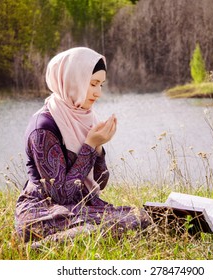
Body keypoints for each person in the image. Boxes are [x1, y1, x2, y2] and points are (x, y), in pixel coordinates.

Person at [14, 47, 151, 243]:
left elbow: (100, 183)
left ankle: (77, 235)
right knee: (124, 222)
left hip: (78, 207)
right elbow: (60, 195)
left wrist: (98, 148)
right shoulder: (43, 128)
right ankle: (46, 244)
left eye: (101, 85)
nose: (98, 93)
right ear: (73, 80)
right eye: (93, 84)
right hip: (43, 213)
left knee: (139, 217)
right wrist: (89, 146)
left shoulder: (85, 117)